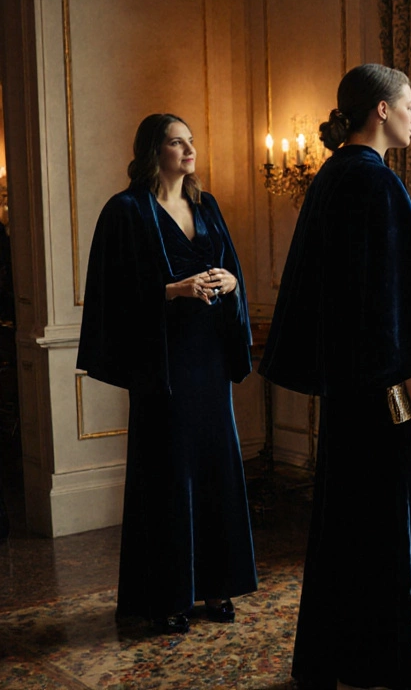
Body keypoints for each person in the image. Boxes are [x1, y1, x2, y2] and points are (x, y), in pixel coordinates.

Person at [258, 63, 411, 690]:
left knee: (350, 518)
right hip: (382, 387)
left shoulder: (331, 178)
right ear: (380, 110)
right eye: (407, 106)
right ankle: (394, 658)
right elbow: (377, 294)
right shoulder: (373, 183)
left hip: (350, 385)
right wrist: (408, 373)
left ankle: (343, 654)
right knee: (392, 516)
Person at [77, 113, 256, 634]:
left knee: (216, 467)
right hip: (163, 363)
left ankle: (217, 585)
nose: (189, 149)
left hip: (210, 359)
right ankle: (169, 593)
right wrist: (172, 291)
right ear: (154, 151)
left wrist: (230, 283)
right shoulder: (125, 211)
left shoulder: (208, 205)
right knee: (169, 474)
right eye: (177, 142)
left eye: (191, 141)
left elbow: (235, 272)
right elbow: (111, 296)